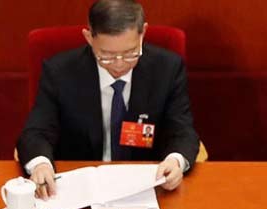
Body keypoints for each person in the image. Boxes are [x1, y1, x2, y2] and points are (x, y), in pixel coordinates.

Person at [17, 0, 200, 198]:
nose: (119, 64)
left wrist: (176, 161)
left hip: (145, 188)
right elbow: (35, 133)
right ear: (89, 37)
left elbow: (182, 132)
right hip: (78, 190)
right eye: (106, 55)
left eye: (130, 53)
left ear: (143, 33)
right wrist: (41, 163)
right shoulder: (59, 72)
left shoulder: (167, 69)